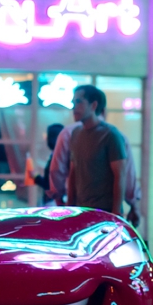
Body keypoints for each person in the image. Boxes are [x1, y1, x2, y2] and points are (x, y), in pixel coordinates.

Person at [66, 85, 127, 217]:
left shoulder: (110, 134)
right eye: (73, 102)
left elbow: (120, 175)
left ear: (93, 105)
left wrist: (116, 212)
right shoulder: (76, 133)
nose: (74, 107)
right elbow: (73, 172)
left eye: (78, 102)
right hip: (80, 210)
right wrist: (70, 205)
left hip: (104, 211)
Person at [34, 123, 63, 203]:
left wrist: (35, 177)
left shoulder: (57, 158)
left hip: (54, 202)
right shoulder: (58, 156)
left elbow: (49, 184)